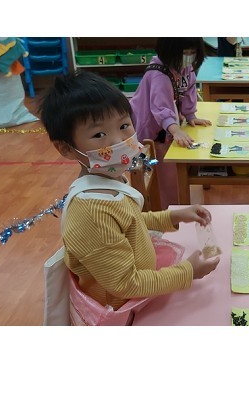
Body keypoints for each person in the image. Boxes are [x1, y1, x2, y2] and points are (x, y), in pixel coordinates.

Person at [39, 70, 220, 315]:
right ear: (66, 148)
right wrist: (189, 271)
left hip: (141, 293)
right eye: (99, 134)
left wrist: (174, 216)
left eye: (124, 125)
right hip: (122, 312)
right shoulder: (91, 212)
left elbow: (130, 222)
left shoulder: (107, 181)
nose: (118, 141)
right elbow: (126, 285)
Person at [130, 37, 211, 209]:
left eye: (192, 52)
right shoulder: (158, 74)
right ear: (169, 52)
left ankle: (172, 206)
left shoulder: (186, 67)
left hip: (166, 125)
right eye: (184, 52)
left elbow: (189, 91)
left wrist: (190, 115)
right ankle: (166, 210)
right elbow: (160, 107)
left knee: (169, 169)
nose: (188, 57)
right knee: (160, 170)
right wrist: (175, 130)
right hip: (149, 128)